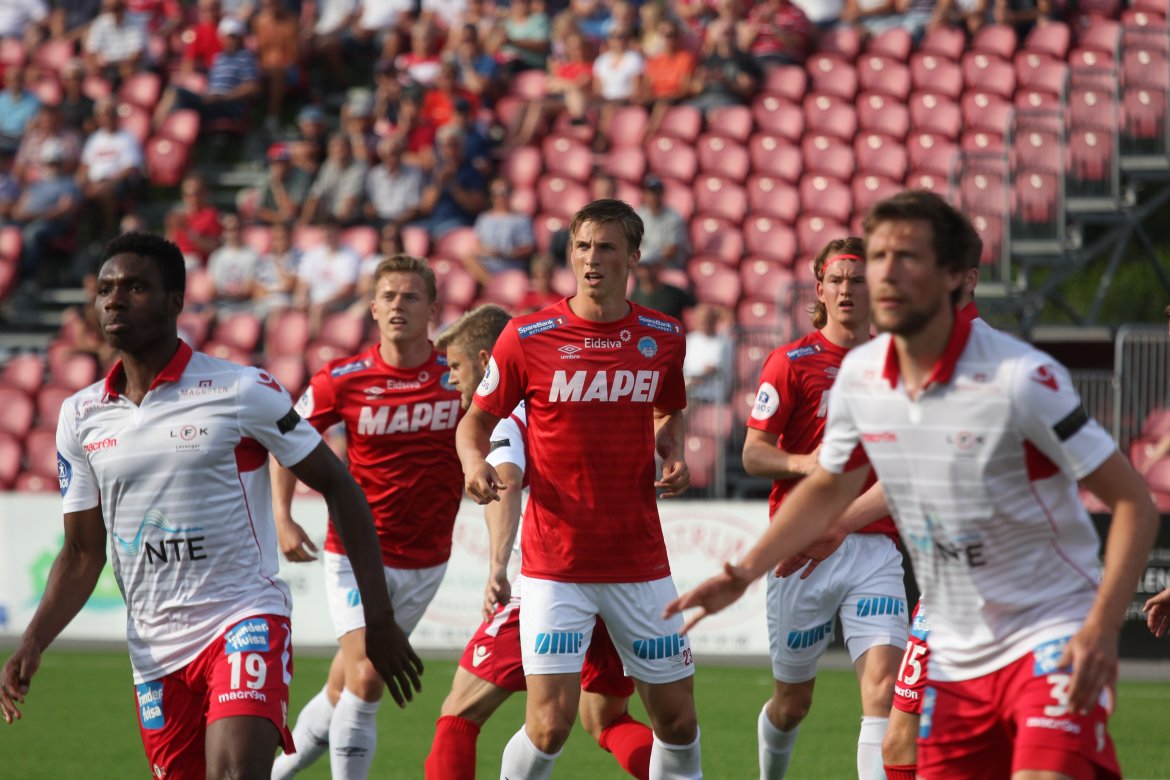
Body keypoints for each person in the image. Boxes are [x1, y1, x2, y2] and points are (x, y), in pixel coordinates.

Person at [667, 190, 1159, 780]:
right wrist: (743, 573)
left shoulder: (1020, 376)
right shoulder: (865, 377)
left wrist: (1102, 627)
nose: (886, 274)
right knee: (899, 749)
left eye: (908, 258)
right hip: (953, 632)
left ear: (952, 276)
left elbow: (1133, 501)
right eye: (879, 258)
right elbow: (829, 486)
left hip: (1045, 626)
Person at [0, 232, 423, 778]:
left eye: (135, 288)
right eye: (105, 289)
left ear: (175, 302)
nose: (115, 301)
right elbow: (83, 553)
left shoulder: (240, 389)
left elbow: (340, 486)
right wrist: (32, 642)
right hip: (154, 648)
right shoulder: (80, 416)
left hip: (242, 616)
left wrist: (378, 619)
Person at [457, 198, 703, 780]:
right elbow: (475, 422)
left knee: (677, 722)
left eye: (606, 247)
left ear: (633, 256)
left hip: (640, 563)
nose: (592, 258)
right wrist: (473, 462)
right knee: (549, 725)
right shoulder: (527, 336)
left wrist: (673, 451)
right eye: (582, 246)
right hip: (555, 566)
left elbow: (668, 410)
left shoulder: (664, 336)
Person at [425, 304, 656, 780]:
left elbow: (505, 481)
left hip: (548, 580)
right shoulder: (561, 399)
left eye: (456, 366)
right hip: (617, 576)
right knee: (607, 719)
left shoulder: (506, 415)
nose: (451, 379)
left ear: (487, 361)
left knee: (459, 714)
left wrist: (497, 567)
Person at [271, 253, 465, 780]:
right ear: (374, 308)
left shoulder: (457, 375)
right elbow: (285, 439)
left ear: (433, 309)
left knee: (342, 685)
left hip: (428, 558)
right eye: (389, 296)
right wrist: (283, 515)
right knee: (367, 677)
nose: (399, 305)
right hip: (356, 553)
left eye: (411, 297)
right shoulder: (342, 378)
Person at [741, 236, 906, 780]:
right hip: (803, 552)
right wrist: (803, 463)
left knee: (884, 689)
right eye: (836, 280)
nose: (846, 290)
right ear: (819, 290)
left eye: (857, 280)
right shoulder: (790, 362)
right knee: (792, 704)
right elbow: (754, 453)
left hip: (874, 545)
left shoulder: (899, 365)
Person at [880, 211, 986, 780]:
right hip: (950, 579)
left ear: (965, 278)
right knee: (905, 738)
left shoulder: (979, 361)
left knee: (913, 739)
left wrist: (832, 522)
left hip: (985, 584)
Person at [635, 175, 689, 270]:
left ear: (662, 194)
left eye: (656, 193)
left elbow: (672, 251)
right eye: (649, 193)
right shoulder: (638, 215)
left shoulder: (674, 218)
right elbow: (635, 243)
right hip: (644, 264)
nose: (653, 197)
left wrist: (651, 255)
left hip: (668, 266)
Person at [683, 303, 732, 403]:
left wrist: (686, 387)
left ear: (714, 320)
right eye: (700, 319)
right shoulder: (688, 340)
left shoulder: (723, 342)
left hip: (709, 396)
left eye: (707, 319)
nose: (703, 322)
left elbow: (710, 370)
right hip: (688, 393)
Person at [629, 256, 696, 321]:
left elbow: (696, 307)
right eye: (640, 268)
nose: (645, 272)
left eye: (649, 267)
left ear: (658, 267)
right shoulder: (635, 296)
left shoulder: (675, 293)